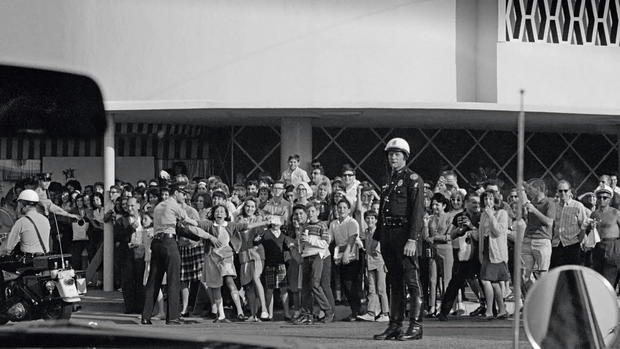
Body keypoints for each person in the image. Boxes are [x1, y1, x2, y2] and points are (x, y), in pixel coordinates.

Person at [373, 138, 425, 341]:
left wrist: (412, 239)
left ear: (405, 157)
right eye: (390, 154)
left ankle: (416, 325)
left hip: (405, 235)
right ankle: (394, 325)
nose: (393, 157)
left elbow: (417, 213)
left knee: (412, 280)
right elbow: (382, 212)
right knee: (394, 281)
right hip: (388, 235)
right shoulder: (387, 180)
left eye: (397, 154)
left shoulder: (413, 179)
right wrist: (376, 237)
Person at [141, 183, 200, 325]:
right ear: (176, 193)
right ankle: (172, 316)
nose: (184, 196)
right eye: (183, 193)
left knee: (154, 280)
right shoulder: (175, 206)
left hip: (156, 242)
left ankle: (145, 316)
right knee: (174, 279)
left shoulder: (158, 207)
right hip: (169, 242)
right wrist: (200, 228)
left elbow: (173, 225)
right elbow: (187, 222)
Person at [477, 190, 510, 320]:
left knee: (486, 280)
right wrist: (480, 252)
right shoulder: (483, 215)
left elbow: (497, 232)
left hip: (496, 251)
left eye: (490, 199)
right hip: (486, 250)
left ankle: (490, 311)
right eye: (485, 199)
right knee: (494, 282)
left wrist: (491, 216)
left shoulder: (502, 213)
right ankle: (502, 310)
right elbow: (481, 234)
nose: (488, 202)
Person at [520, 178, 555, 296]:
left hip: (542, 241)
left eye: (531, 188)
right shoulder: (531, 202)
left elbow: (549, 222)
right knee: (524, 275)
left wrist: (534, 210)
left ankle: (543, 303)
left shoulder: (549, 203)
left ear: (539, 189)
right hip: (527, 240)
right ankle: (533, 299)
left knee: (542, 275)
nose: (529, 191)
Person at [357, 210, 390, 322]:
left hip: (380, 262)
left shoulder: (380, 231)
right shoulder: (366, 232)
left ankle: (385, 313)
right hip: (370, 262)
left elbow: (383, 247)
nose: (370, 220)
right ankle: (371, 312)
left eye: (372, 218)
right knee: (371, 288)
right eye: (368, 218)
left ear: (376, 220)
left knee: (381, 288)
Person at [114, 197, 145, 314]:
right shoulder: (122, 220)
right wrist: (131, 228)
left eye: (132, 206)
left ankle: (141, 307)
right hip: (127, 253)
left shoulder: (144, 218)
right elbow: (118, 236)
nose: (130, 208)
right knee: (127, 281)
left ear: (138, 205)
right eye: (128, 206)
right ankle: (129, 307)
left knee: (140, 280)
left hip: (141, 253)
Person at [0, 189, 50, 258]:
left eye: (19, 203)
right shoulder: (45, 220)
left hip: (30, 262)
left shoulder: (21, 222)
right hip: (45, 259)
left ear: (23, 204)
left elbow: (7, 247)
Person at [550, 180, 588, 268]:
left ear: (570, 191)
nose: (563, 193)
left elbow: (583, 225)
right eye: (560, 191)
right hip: (556, 245)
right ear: (557, 192)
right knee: (556, 274)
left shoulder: (578, 206)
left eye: (565, 191)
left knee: (573, 276)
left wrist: (579, 241)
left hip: (572, 245)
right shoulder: (554, 206)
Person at [589, 185, 620, 285]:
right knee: (598, 279)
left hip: (612, 247)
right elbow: (589, 233)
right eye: (599, 197)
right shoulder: (593, 214)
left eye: (605, 197)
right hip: (598, 248)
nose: (602, 200)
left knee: (609, 280)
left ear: (609, 199)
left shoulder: (616, 213)